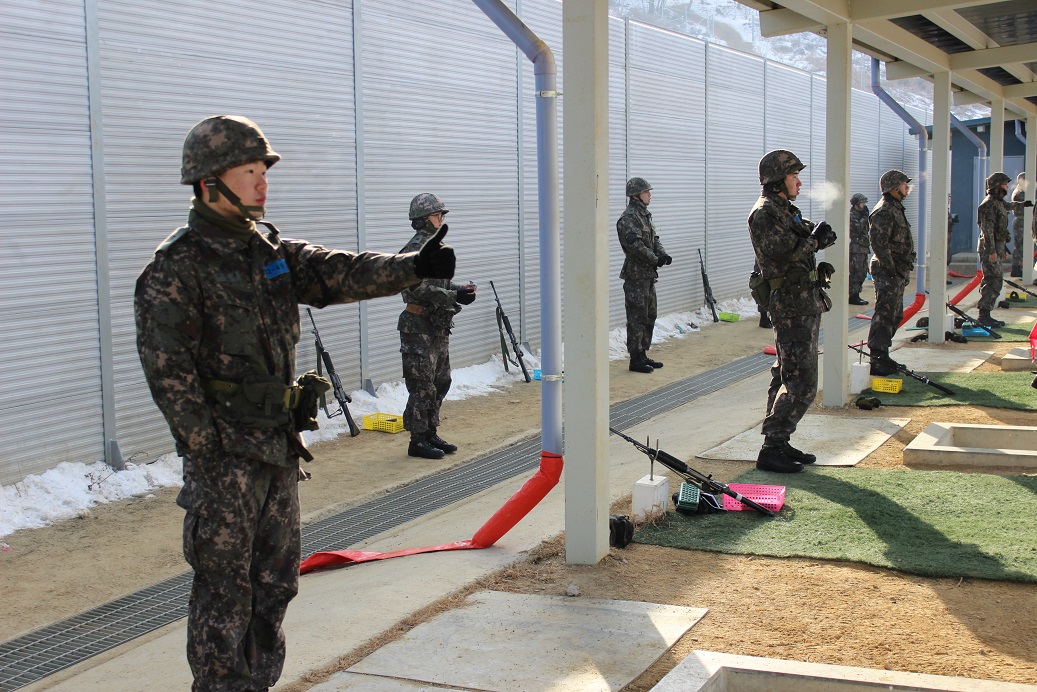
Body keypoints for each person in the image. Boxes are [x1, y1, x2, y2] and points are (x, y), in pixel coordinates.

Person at [135, 115, 455, 691]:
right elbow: (169, 375)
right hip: (226, 460)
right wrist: (209, 453)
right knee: (224, 592)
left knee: (276, 583)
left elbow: (338, 272)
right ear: (209, 182)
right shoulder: (177, 268)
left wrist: (413, 267)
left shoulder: (268, 249)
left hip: (278, 449)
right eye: (250, 172)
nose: (263, 183)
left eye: (264, 171)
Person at [748, 149, 836, 474]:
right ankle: (772, 447)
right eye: (794, 175)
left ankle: (779, 441)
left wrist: (818, 236)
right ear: (777, 180)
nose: (799, 180)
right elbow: (785, 254)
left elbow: (804, 235)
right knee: (802, 383)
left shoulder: (784, 209)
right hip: (790, 305)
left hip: (803, 302)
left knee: (787, 374)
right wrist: (816, 242)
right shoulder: (765, 213)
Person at [398, 193, 476, 460]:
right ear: (423, 220)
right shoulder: (413, 251)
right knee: (421, 385)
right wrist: (454, 297)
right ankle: (417, 440)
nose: (441, 219)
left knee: (441, 381)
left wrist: (460, 290)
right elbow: (416, 287)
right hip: (417, 326)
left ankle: (430, 431)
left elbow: (439, 285)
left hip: (436, 326)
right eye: (437, 215)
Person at [617, 177, 671, 373]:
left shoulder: (645, 215)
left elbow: (653, 238)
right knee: (637, 317)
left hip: (647, 275)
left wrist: (662, 253)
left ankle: (643, 353)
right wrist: (654, 259)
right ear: (635, 195)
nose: (650, 194)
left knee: (650, 314)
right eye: (646, 191)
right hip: (636, 276)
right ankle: (635, 358)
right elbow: (636, 246)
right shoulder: (629, 218)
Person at [867, 170, 915, 376]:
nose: (907, 187)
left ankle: (883, 354)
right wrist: (891, 270)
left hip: (896, 270)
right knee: (885, 314)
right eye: (904, 184)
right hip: (888, 271)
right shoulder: (884, 210)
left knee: (895, 315)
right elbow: (879, 243)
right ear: (894, 188)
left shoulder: (895, 208)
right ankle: (877, 358)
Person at [848, 193, 871, 306]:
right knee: (856, 273)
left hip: (863, 248)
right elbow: (857, 228)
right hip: (856, 249)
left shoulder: (861, 215)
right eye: (862, 203)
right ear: (856, 204)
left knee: (862, 272)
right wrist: (864, 217)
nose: (864, 205)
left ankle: (856, 294)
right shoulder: (852, 215)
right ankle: (853, 296)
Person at [1011, 172, 1027, 277]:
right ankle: (1016, 268)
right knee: (1020, 245)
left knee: (1021, 245)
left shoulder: (1020, 191)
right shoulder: (1020, 193)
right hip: (1021, 221)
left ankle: (1018, 267)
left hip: (1022, 220)